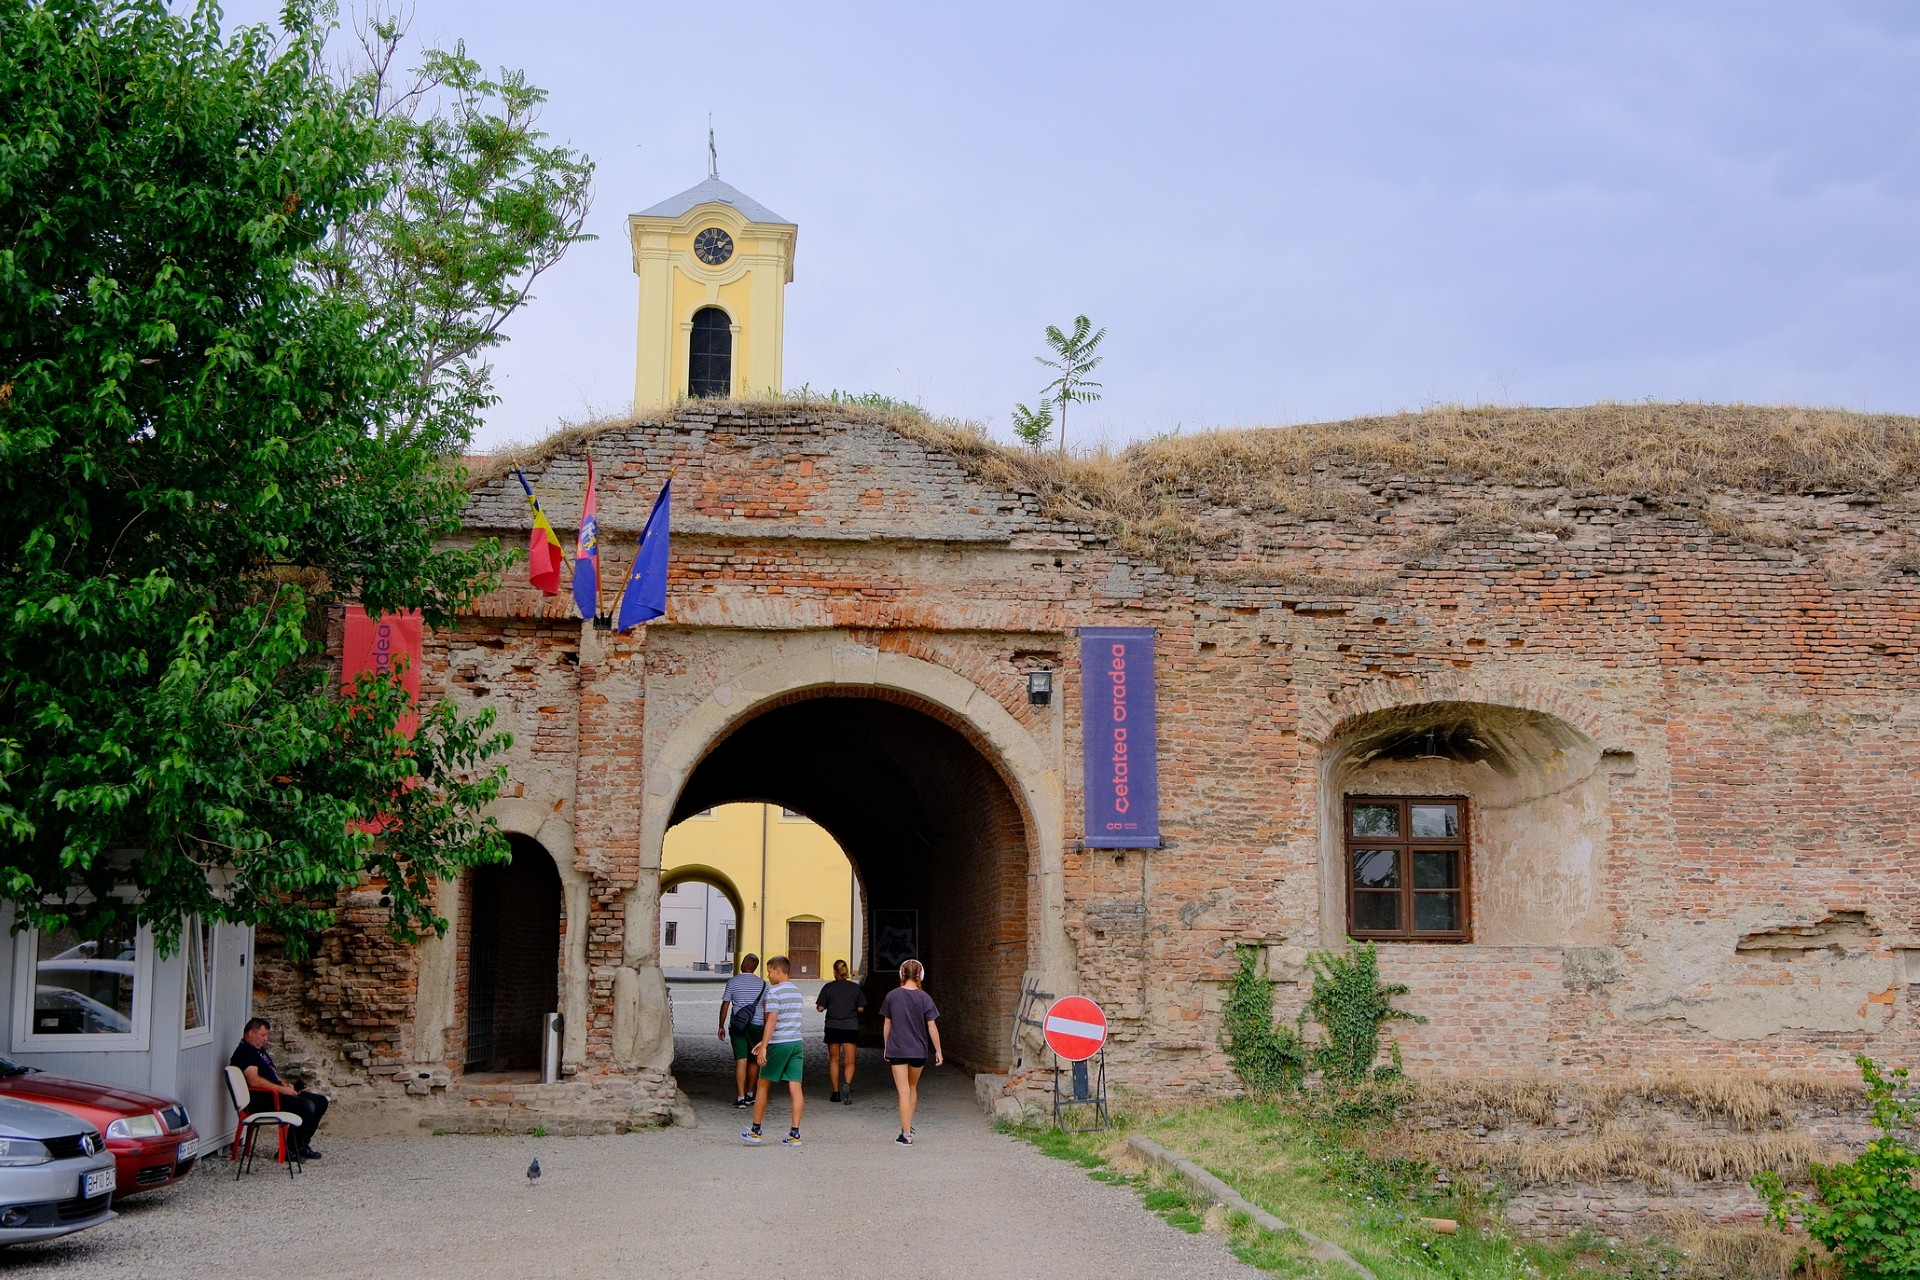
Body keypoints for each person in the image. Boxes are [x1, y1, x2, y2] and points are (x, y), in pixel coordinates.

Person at [230, 1016, 328, 1160]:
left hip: (274, 1094)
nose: (266, 1039)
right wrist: (282, 1090)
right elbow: (254, 1081)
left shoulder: (258, 1051)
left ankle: (301, 1146)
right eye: (263, 1035)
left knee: (320, 1101)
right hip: (262, 1101)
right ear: (251, 1033)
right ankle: (289, 1150)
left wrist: (284, 1085)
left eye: (267, 1035)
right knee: (305, 1106)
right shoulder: (245, 1052)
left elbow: (271, 1075)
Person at [742, 955, 806, 1147]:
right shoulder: (797, 992)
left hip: (779, 1044)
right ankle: (795, 1133)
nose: (768, 975)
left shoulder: (774, 992)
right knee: (796, 1087)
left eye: (770, 971)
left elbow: (772, 1021)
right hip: (796, 1042)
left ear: (778, 971)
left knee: (763, 1084)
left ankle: (756, 1130)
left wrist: (765, 1046)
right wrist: (762, 1042)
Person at [879, 959, 942, 1146]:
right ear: (920, 975)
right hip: (918, 1050)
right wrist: (938, 1050)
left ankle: (906, 1134)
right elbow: (932, 1026)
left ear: (901, 974)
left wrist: (886, 1046)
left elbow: (887, 1024)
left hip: (898, 1049)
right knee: (912, 1087)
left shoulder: (892, 996)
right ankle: (907, 1125)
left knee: (903, 1090)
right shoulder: (925, 998)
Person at [717, 955, 767, 1108]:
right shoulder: (763, 985)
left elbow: (725, 1005)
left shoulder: (733, 982)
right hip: (757, 1025)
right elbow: (766, 1008)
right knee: (754, 1061)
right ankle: (750, 1094)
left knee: (741, 1060)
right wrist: (766, 1030)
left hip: (738, 1026)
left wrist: (721, 1025)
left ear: (744, 964)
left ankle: (740, 1098)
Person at [815, 959, 865, 1104]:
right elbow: (861, 1008)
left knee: (834, 1059)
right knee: (850, 1061)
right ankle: (847, 1084)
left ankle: (836, 1092)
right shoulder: (854, 988)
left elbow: (820, 1008)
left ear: (835, 972)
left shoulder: (828, 987)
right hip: (850, 1026)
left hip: (833, 1026)